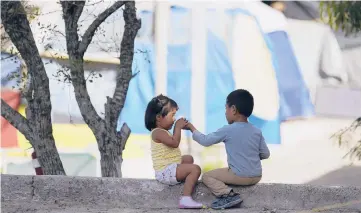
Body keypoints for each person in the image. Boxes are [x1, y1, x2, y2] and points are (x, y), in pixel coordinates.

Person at [185, 89, 270, 210]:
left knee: (207, 176)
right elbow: (265, 154)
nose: (225, 113)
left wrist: (191, 128)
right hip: (257, 176)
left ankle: (228, 195)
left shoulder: (228, 130)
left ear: (233, 109)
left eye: (226, 109)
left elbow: (205, 141)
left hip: (239, 175)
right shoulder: (256, 131)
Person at [144, 94, 204, 209]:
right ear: (159, 117)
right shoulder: (157, 132)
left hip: (170, 166)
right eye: (172, 115)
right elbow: (174, 143)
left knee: (188, 159)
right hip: (165, 172)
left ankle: (185, 176)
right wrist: (177, 127)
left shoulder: (162, 131)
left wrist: (182, 127)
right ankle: (186, 199)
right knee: (195, 169)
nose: (174, 119)